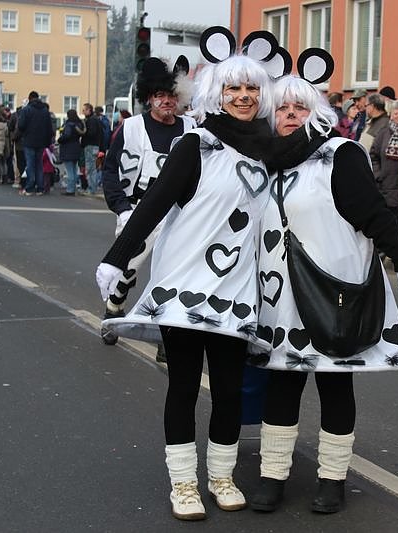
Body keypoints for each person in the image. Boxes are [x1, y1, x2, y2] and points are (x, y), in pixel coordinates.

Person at [95, 33, 276, 521]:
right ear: (217, 93)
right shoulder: (196, 143)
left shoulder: (273, 151)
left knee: (229, 387)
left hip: (237, 287)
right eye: (234, 89)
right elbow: (152, 205)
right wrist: (118, 257)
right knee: (182, 385)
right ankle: (183, 483)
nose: (243, 97)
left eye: (252, 90)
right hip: (184, 286)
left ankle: (220, 474)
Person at [249, 73, 398, 515]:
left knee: (334, 382)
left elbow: (373, 213)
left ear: (317, 113)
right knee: (283, 382)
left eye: (300, 108)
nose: (290, 116)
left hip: (336, 292)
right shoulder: (262, 161)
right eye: (283, 109)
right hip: (281, 297)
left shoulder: (339, 155)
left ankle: (332, 479)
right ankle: (273, 476)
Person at [99, 56, 197, 355]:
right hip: (139, 210)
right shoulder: (130, 129)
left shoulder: (192, 127)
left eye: (171, 95)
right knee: (126, 271)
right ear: (148, 98)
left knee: (173, 275)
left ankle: (165, 334)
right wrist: (121, 208)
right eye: (159, 96)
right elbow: (111, 170)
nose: (166, 101)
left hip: (179, 213)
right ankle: (114, 308)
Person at [370, 99, 398, 227]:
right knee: (390, 216)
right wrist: (378, 174)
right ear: (391, 115)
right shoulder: (383, 133)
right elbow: (373, 155)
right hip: (386, 181)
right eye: (396, 113)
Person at [17, 91, 54, 195]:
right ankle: (40, 187)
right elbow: (49, 128)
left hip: (29, 140)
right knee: (39, 165)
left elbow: (21, 125)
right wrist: (47, 141)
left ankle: (29, 187)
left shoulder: (26, 110)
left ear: (29, 98)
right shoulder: (45, 110)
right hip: (41, 141)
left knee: (30, 164)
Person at [57, 109, 86, 196]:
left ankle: (70, 190)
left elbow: (66, 135)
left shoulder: (69, 124)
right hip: (76, 147)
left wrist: (60, 140)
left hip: (68, 149)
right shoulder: (79, 124)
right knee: (74, 170)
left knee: (69, 171)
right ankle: (73, 188)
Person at [80, 103, 104, 195]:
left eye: (84, 110)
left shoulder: (91, 120)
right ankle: (92, 188)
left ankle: (91, 189)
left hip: (90, 145)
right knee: (93, 168)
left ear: (89, 110)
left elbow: (91, 133)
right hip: (95, 146)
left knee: (90, 168)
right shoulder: (96, 120)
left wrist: (83, 134)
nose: (83, 112)